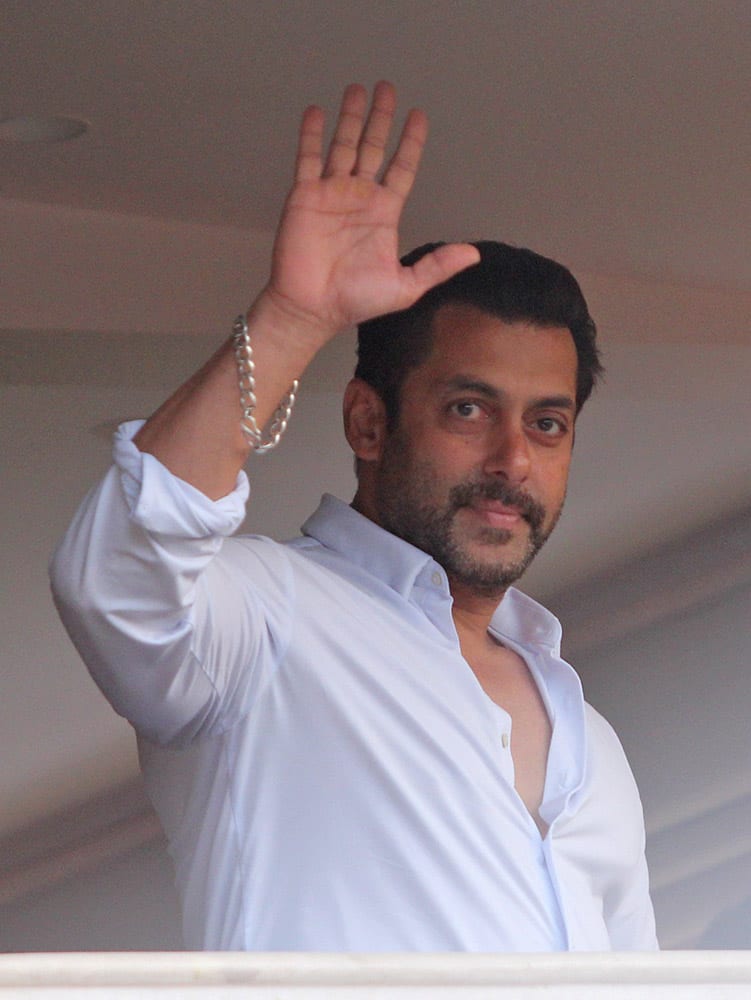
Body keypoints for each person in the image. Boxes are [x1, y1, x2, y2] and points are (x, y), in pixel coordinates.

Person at [50, 81, 657, 952]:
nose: (512, 460)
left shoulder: (588, 737)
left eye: (546, 424)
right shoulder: (264, 619)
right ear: (367, 421)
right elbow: (112, 576)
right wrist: (293, 321)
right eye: (468, 409)